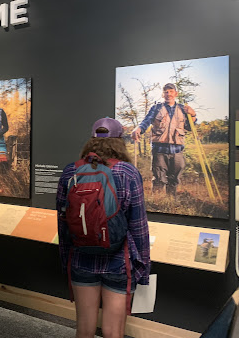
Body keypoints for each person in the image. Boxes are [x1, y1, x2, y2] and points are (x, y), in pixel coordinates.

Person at [57, 118, 150, 338]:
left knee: (84, 329)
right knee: (112, 332)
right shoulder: (128, 173)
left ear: (92, 140)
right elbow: (138, 227)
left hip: (81, 258)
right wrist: (143, 268)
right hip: (118, 261)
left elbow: (63, 223)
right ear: (119, 141)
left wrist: (65, 261)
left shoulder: (71, 171)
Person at [131, 83, 197, 197]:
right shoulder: (156, 108)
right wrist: (138, 129)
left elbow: (190, 127)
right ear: (163, 94)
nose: (168, 94)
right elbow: (146, 121)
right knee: (158, 179)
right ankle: (156, 203)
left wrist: (193, 114)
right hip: (159, 150)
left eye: (171, 91)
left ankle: (170, 202)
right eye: (166, 92)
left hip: (177, 150)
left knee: (174, 179)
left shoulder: (183, 109)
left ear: (176, 94)